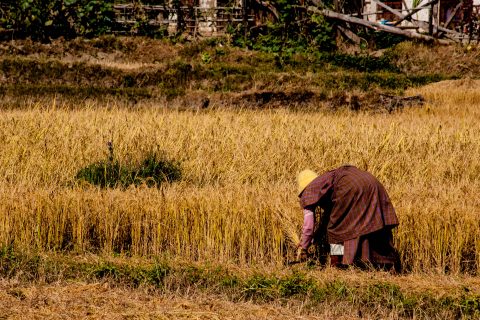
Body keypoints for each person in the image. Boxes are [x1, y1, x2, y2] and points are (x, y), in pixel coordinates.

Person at [296, 165, 401, 272]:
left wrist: (303, 247)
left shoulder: (309, 191)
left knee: (334, 230)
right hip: (372, 182)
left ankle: (337, 265)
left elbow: (308, 226)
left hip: (349, 187)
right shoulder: (326, 181)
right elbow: (327, 218)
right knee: (373, 221)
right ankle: (386, 265)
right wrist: (316, 237)